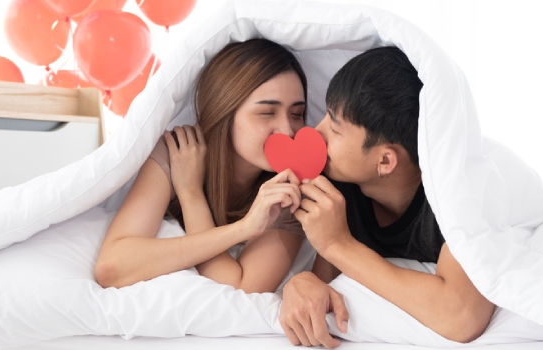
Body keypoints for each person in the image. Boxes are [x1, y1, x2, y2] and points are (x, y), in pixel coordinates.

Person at [279, 47, 497, 348]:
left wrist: (337, 244)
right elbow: (323, 282)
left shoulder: (456, 193)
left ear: (385, 161)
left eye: (335, 127)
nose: (316, 132)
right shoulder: (341, 185)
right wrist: (300, 283)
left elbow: (461, 318)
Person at [94, 38, 307, 294]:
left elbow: (239, 288)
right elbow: (112, 268)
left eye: (296, 114)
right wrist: (241, 227)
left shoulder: (292, 191)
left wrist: (192, 195)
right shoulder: (179, 152)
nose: (287, 130)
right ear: (224, 110)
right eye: (267, 113)